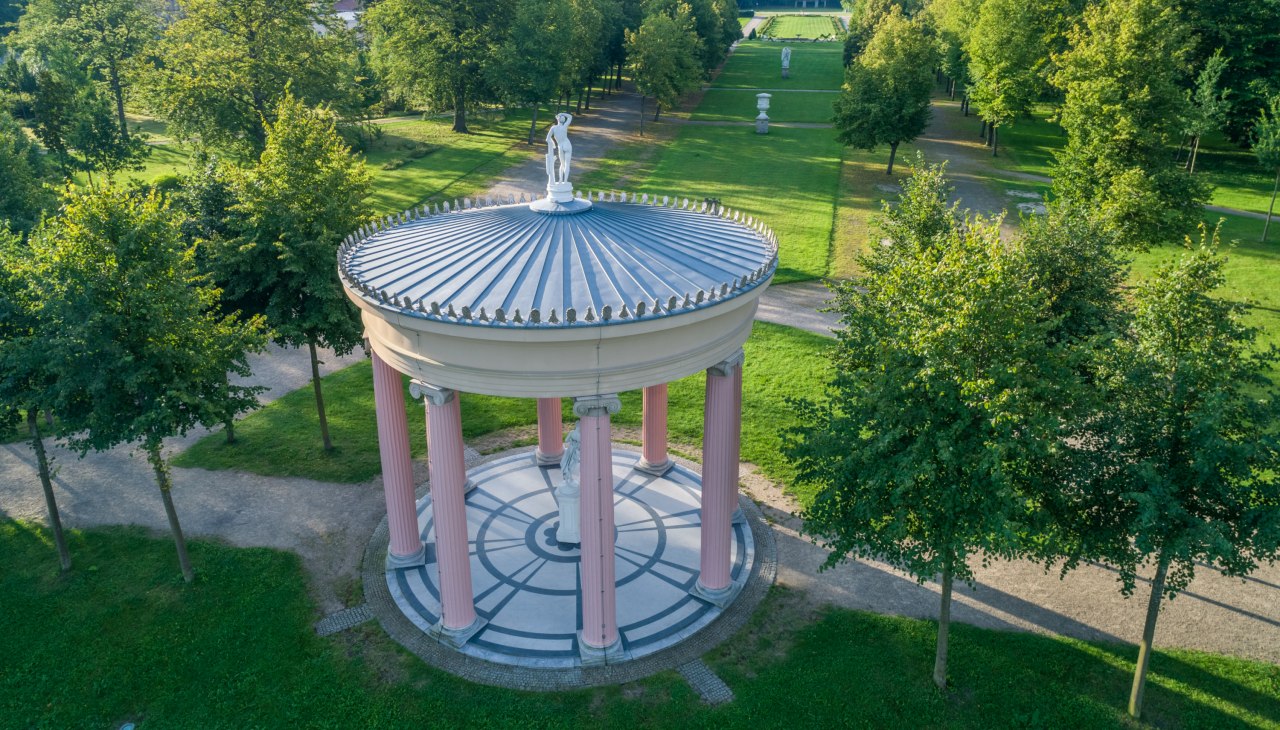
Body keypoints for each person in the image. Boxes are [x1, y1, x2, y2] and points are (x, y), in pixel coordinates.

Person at [546, 113, 573, 184]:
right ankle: (564, 180)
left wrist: (554, 144)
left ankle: (563, 180)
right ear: (559, 118)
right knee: (565, 164)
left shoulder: (555, 127)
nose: (563, 118)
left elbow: (547, 139)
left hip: (562, 145)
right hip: (565, 145)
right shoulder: (562, 126)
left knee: (563, 164)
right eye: (562, 117)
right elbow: (570, 117)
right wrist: (562, 114)